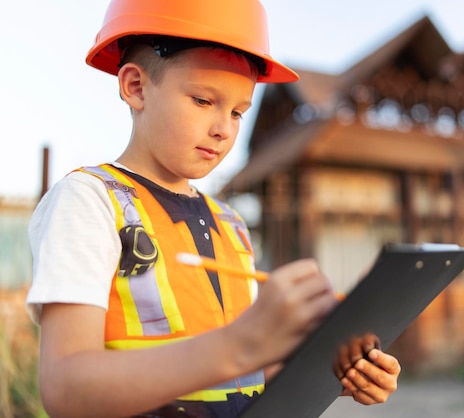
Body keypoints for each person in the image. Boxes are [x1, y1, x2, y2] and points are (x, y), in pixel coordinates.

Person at [25, 1, 401, 417]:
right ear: (135, 87)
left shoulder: (230, 223)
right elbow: (65, 388)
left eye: (239, 112)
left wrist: (334, 369)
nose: (224, 129)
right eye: (203, 101)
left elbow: (247, 374)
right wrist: (239, 345)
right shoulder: (89, 201)